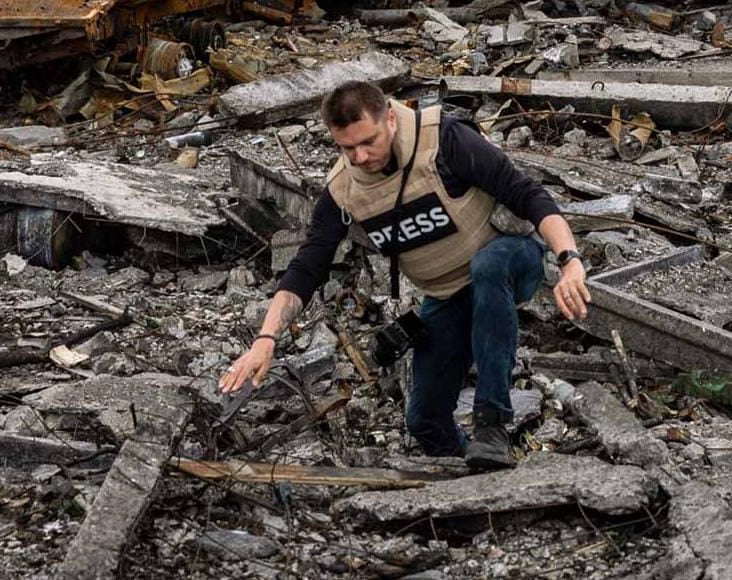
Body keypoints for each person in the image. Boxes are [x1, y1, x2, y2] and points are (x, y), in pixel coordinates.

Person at [219, 81, 590, 469]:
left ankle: (492, 425)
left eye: (368, 141)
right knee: (424, 420)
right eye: (347, 148)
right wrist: (266, 338)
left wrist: (569, 260)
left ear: (391, 119)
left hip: (511, 259)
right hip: (447, 293)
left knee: (488, 266)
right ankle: (476, 476)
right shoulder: (345, 189)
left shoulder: (444, 140)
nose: (360, 156)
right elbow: (308, 265)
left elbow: (529, 196)